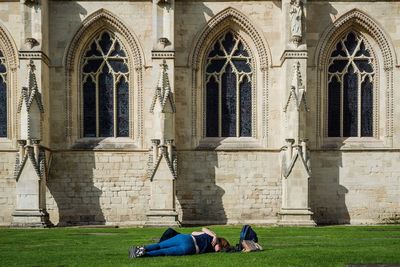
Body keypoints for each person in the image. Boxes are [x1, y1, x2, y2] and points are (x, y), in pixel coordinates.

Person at [129, 227, 230, 258]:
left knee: (160, 245)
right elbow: (217, 248)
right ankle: (142, 254)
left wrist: (213, 235)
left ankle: (139, 249)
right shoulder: (215, 240)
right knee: (164, 252)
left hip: (184, 237)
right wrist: (215, 236)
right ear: (221, 243)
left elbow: (195, 232)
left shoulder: (210, 235)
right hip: (190, 247)